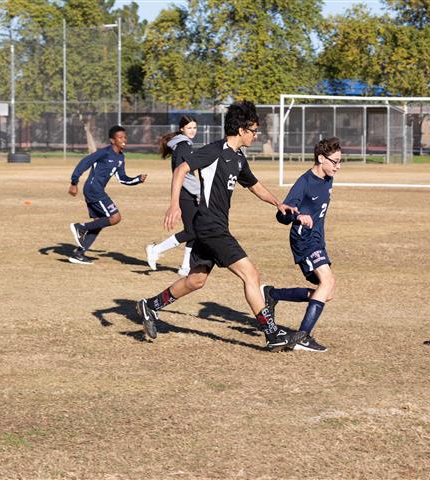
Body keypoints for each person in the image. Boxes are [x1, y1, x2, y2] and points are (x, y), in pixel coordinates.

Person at [136, 101, 306, 351]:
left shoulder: (238, 158)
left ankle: (149, 306)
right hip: (210, 226)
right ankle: (272, 334)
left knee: (196, 280)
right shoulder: (215, 150)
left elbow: (253, 185)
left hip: (213, 226)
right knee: (251, 274)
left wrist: (278, 203)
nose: (256, 135)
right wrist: (174, 205)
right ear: (241, 129)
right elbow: (181, 169)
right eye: (254, 130)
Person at [263, 137, 342, 352]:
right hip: (303, 239)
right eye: (335, 161)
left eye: (340, 161)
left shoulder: (328, 177)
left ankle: (273, 294)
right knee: (327, 281)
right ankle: (302, 337)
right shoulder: (304, 183)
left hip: (317, 239)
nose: (338, 166)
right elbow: (281, 214)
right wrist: (297, 217)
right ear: (320, 158)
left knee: (327, 292)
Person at [68, 125, 147, 264]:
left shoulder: (121, 158)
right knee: (115, 217)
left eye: (125, 137)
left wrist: (137, 179)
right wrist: (74, 182)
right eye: (120, 137)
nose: (124, 140)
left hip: (97, 190)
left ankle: (78, 254)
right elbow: (85, 162)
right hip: (94, 189)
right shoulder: (104, 152)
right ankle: (80, 227)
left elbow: (123, 179)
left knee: (98, 223)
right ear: (112, 140)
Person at [146, 115, 199, 275]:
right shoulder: (183, 146)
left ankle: (185, 267)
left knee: (194, 230)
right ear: (182, 129)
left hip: (187, 192)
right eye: (189, 128)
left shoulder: (184, 145)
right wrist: (199, 192)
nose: (193, 131)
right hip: (185, 193)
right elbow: (183, 174)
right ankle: (156, 249)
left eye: (195, 128)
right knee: (192, 231)